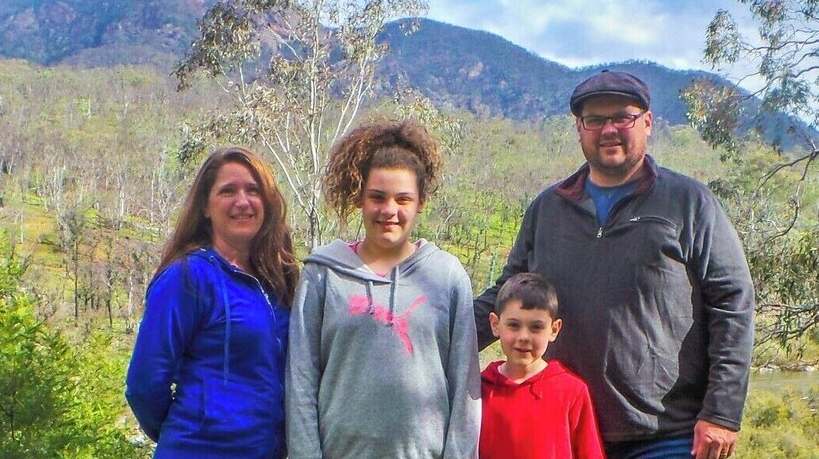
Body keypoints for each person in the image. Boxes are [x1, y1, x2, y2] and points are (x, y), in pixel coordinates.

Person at [473, 70, 756, 459]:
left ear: (648, 123)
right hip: (566, 429)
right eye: (595, 120)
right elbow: (506, 296)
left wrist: (722, 411)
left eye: (622, 117)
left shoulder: (688, 202)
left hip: (667, 434)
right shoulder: (549, 209)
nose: (608, 130)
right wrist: (429, 342)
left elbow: (733, 302)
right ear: (579, 129)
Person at [287, 120, 480, 459]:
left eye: (402, 199)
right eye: (377, 197)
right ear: (360, 199)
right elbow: (300, 380)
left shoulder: (447, 277)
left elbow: (465, 387)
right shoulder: (323, 274)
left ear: (420, 203)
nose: (389, 210)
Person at [126, 147, 298, 458]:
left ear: (267, 202)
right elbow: (144, 384)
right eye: (227, 191)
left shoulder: (278, 281)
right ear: (205, 206)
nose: (242, 202)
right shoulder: (187, 277)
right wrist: (194, 431)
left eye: (253, 190)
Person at [480, 272, 603, 459]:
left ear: (554, 330)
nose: (524, 337)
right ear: (495, 325)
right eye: (514, 325)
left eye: (536, 327)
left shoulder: (571, 392)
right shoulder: (477, 390)